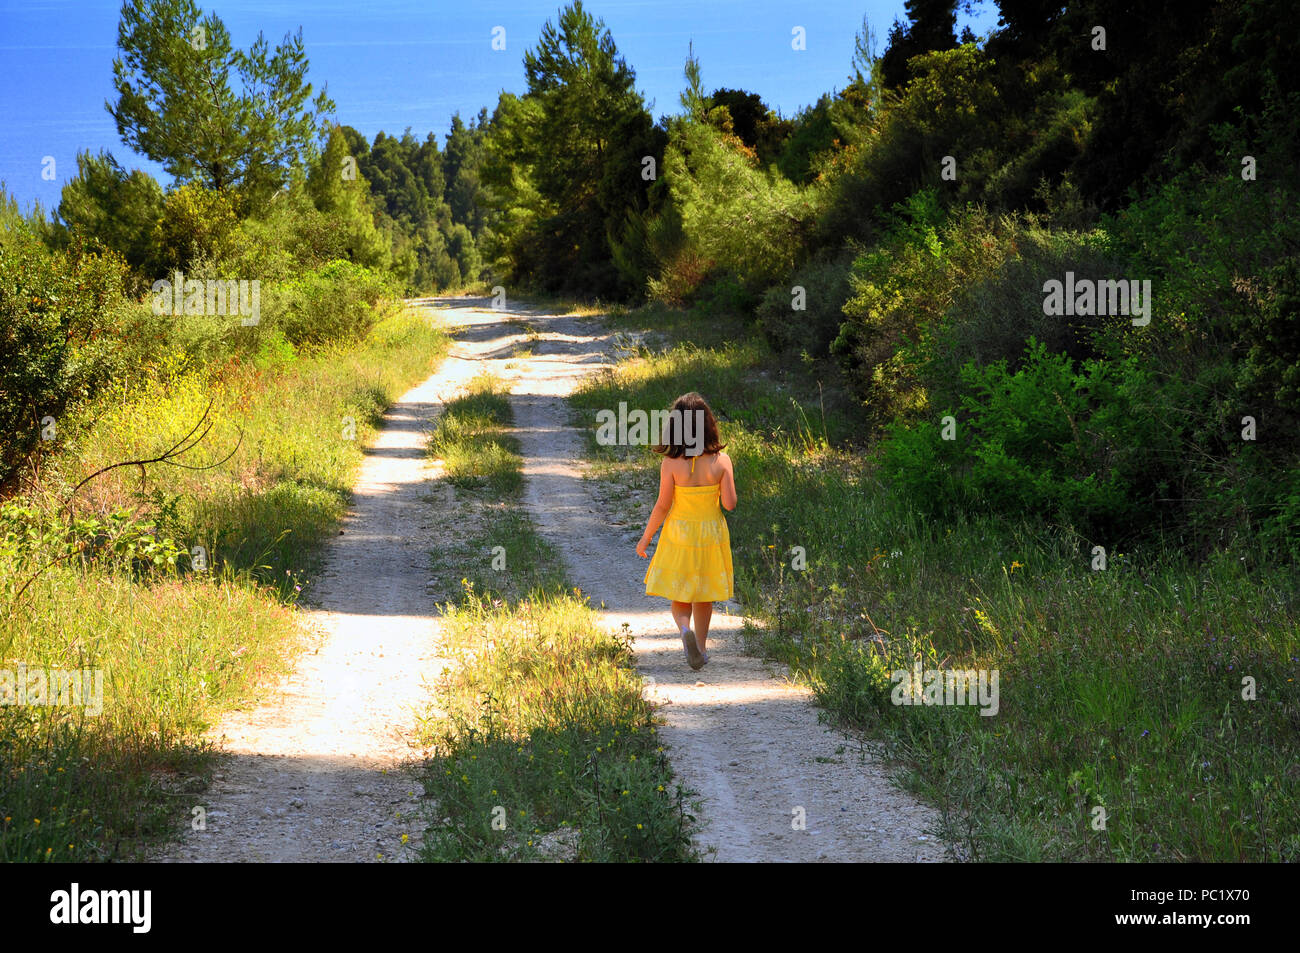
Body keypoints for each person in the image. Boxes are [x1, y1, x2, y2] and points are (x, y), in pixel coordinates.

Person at [636, 392, 736, 670]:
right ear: (708, 425)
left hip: (679, 535)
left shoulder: (670, 464)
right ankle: (701, 651)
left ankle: (683, 630)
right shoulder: (721, 461)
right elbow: (729, 504)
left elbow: (662, 506)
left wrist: (646, 539)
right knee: (704, 596)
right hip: (710, 537)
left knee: (681, 596)